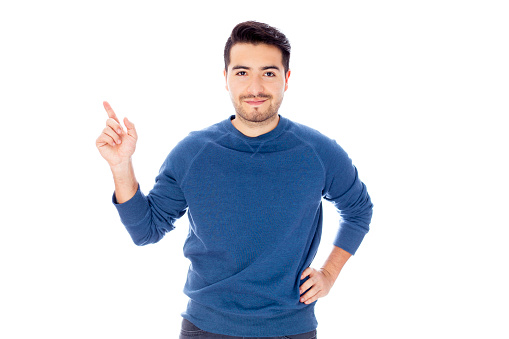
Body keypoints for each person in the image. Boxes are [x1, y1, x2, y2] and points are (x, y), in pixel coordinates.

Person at [96, 21, 373, 339]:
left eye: (268, 73)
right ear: (225, 79)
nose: (255, 87)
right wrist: (121, 166)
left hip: (290, 328)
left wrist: (330, 272)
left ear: (287, 79)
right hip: (206, 328)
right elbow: (146, 231)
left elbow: (359, 209)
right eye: (242, 72)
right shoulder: (193, 153)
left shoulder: (318, 152)